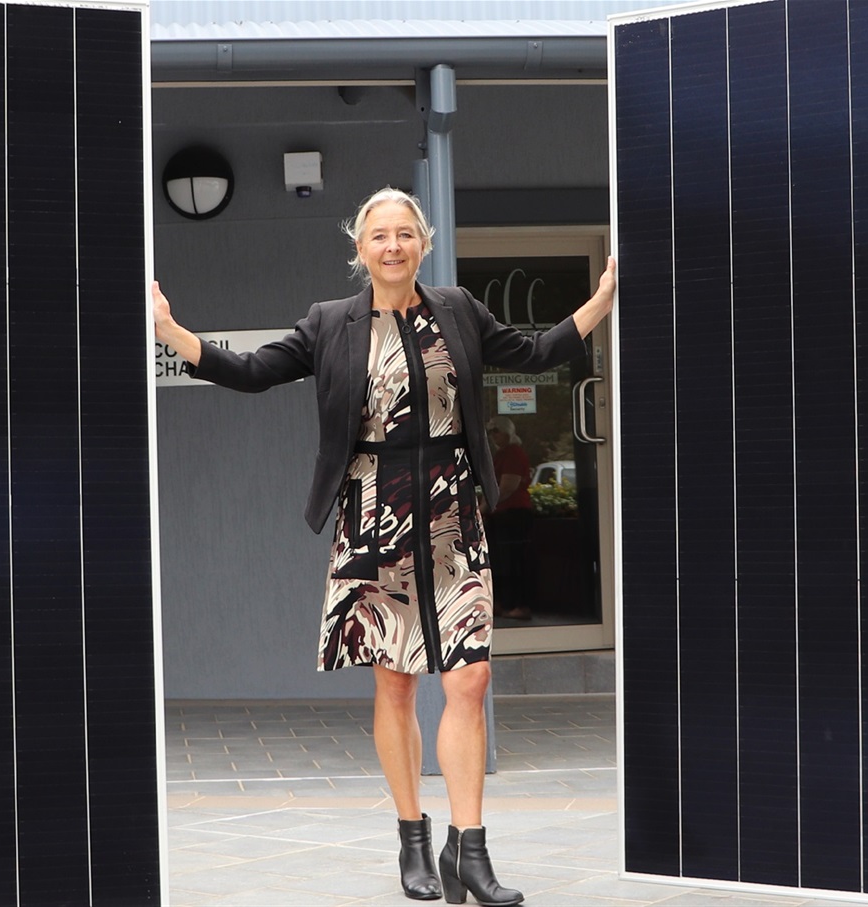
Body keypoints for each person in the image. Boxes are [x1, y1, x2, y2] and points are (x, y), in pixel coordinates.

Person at [153, 187, 615, 906]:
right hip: (373, 514)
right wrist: (172, 331)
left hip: (454, 513)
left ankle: (471, 849)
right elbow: (251, 372)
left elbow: (534, 352)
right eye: (379, 235)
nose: (393, 245)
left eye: (405, 233)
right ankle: (411, 838)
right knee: (396, 681)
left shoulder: (458, 308)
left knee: (469, 678)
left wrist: (602, 299)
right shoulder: (330, 323)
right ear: (360, 248)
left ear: (423, 244)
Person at [483, 416, 535, 621]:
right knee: (501, 561)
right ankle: (504, 603)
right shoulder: (502, 454)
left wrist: (483, 508)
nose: (493, 435)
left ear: (507, 432)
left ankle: (519, 605)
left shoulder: (513, 454)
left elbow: (507, 487)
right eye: (490, 431)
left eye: (496, 430)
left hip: (514, 515)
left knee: (514, 561)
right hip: (502, 514)